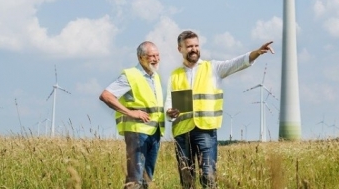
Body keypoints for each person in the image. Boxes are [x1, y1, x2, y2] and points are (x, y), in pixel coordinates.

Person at [166, 30, 274, 188]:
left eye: (196, 45)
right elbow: (169, 101)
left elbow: (235, 63)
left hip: (206, 131)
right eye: (189, 46)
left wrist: (256, 53)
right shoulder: (174, 75)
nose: (194, 49)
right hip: (182, 132)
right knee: (186, 178)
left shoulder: (213, 68)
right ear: (180, 49)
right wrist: (169, 112)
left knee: (208, 176)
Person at [99, 41, 166, 189]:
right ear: (140, 57)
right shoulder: (130, 75)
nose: (156, 59)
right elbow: (106, 95)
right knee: (135, 178)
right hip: (137, 133)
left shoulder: (155, 77)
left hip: (154, 133)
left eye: (157, 55)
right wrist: (130, 112)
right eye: (151, 56)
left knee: (147, 178)